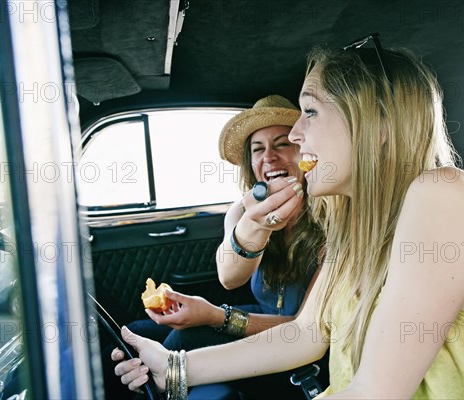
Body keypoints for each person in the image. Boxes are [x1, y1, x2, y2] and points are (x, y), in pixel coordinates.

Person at [113, 37, 464, 399]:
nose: (298, 133)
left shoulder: (444, 195)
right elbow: (305, 333)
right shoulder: (353, 225)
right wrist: (175, 368)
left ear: (378, 122)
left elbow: (374, 393)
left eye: (310, 112)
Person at [112, 95, 326, 399]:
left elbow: (303, 328)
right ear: (250, 165)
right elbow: (230, 278)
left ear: (304, 151)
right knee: (137, 332)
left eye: (282, 144)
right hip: (263, 318)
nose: (269, 157)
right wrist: (258, 225)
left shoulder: (331, 224)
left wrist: (215, 316)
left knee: (184, 338)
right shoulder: (241, 212)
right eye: (257, 149)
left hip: (303, 351)